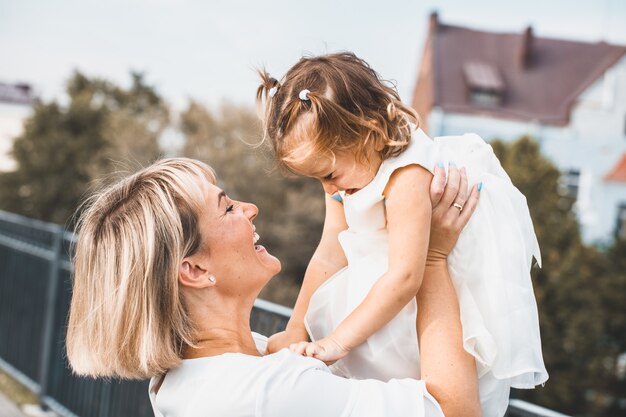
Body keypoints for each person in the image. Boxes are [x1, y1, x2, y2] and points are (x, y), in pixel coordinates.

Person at [65, 157, 481, 417]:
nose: (250, 209)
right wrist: (430, 258)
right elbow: (456, 412)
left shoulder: (189, 377)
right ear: (192, 270)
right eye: (227, 207)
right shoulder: (264, 392)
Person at [257, 52, 548, 417]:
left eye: (328, 174)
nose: (327, 188)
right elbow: (330, 252)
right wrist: (295, 328)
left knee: (402, 381)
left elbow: (406, 276)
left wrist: (337, 342)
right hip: (383, 283)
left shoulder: (407, 173)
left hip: (416, 291)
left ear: (367, 130)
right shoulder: (342, 175)